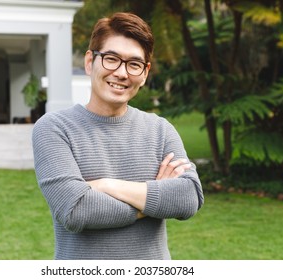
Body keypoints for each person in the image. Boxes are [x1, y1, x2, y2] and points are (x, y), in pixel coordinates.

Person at [32, 12, 204, 260]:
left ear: (144, 73)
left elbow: (188, 198)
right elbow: (76, 210)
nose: (122, 73)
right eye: (111, 59)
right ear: (90, 62)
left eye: (134, 64)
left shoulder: (160, 129)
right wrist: (155, 198)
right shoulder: (54, 128)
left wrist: (106, 186)